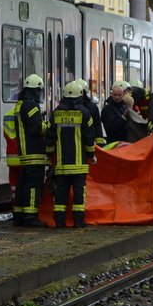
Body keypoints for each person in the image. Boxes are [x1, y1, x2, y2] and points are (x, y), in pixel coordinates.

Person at [48, 81, 97, 227]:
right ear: (80, 95)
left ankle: (59, 222)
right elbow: (89, 138)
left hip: (61, 165)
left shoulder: (56, 113)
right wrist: (92, 155)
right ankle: (78, 221)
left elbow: (50, 137)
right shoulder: (85, 113)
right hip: (79, 164)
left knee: (60, 192)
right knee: (78, 193)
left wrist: (48, 154)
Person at [10, 74, 50, 227]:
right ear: (36, 90)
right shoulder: (31, 105)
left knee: (23, 184)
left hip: (25, 152)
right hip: (34, 152)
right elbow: (37, 128)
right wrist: (48, 126)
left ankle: (19, 215)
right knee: (34, 185)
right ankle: (31, 217)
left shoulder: (20, 104)